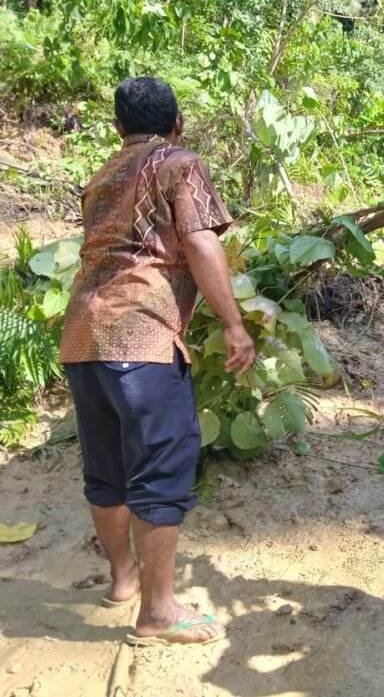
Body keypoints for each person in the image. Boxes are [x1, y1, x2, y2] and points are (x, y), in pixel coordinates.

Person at [59, 77, 255, 647]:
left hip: (82, 337)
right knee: (160, 472)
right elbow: (199, 243)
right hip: (140, 337)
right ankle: (158, 613)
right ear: (179, 124)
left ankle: (124, 581)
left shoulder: (101, 177)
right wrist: (234, 323)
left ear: (118, 128)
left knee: (106, 469)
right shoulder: (180, 162)